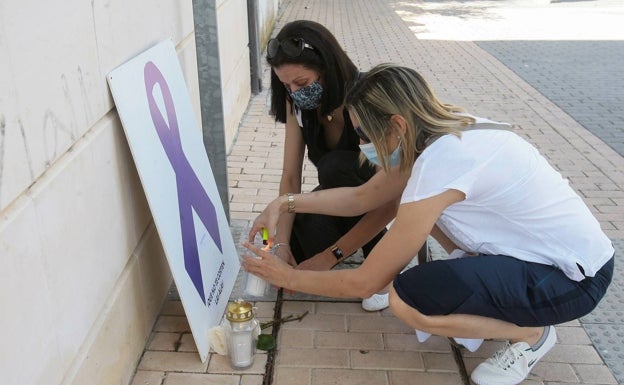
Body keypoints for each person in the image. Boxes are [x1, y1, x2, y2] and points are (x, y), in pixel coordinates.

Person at [243, 64, 615, 385]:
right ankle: (494, 299)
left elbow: (366, 281)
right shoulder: (448, 129)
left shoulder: (443, 161)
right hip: (556, 256)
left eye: (364, 134)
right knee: (412, 212)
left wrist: (288, 277)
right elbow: (364, 198)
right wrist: (283, 202)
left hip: (573, 280)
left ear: (397, 124)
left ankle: (531, 333)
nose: (361, 145)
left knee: (407, 299)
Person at [261, 20, 400, 310]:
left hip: (380, 198)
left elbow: (391, 199)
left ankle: (381, 266)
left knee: (335, 166)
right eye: (286, 86)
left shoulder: (365, 99)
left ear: (327, 68)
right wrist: (282, 246)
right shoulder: (297, 104)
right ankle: (357, 247)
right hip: (341, 198)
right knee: (297, 250)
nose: (295, 92)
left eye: (302, 83)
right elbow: (289, 177)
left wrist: (330, 257)